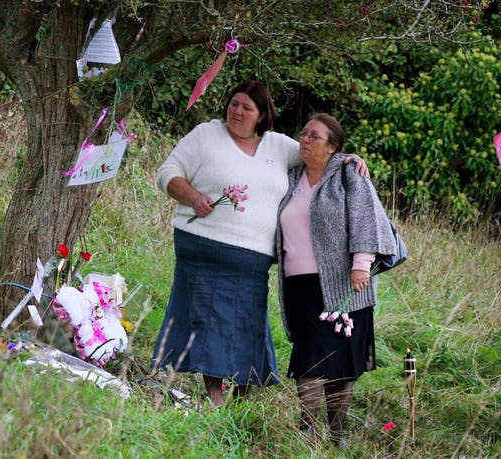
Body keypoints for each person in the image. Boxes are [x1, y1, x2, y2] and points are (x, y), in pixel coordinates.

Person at [152, 80, 368, 406]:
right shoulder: (206, 134)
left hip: (252, 259)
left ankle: (242, 396)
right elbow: (167, 172)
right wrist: (193, 197)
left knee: (246, 323)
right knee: (208, 321)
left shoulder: (278, 147)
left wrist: (347, 158)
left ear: (262, 115)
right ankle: (214, 396)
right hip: (203, 247)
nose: (237, 111)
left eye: (247, 108)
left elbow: (318, 153)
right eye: (234, 103)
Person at [275, 113, 397, 446]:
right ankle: (308, 425)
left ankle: (337, 432)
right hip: (300, 285)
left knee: (342, 361)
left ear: (333, 148)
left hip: (346, 282)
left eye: (314, 136)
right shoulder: (290, 178)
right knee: (309, 356)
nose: (305, 140)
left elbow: (366, 219)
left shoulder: (349, 175)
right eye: (303, 134)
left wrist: (361, 263)